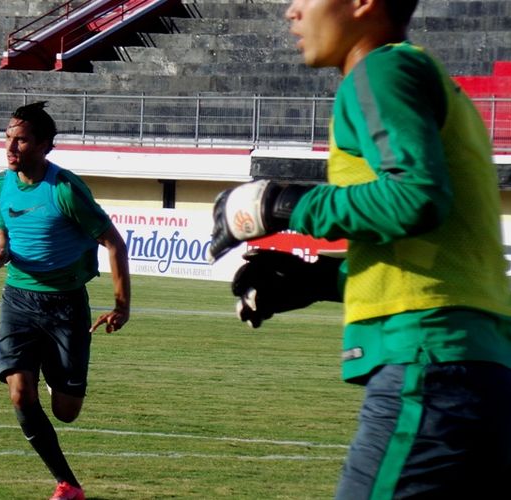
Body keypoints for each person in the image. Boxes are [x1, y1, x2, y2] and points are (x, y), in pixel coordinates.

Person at [209, 0, 511, 498]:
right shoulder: (419, 75)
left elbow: (416, 198)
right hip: (476, 369)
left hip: (428, 368)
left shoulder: (381, 69)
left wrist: (280, 203)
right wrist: (323, 280)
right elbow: (439, 260)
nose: (291, 11)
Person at [0, 101, 130, 500]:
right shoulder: (0, 185)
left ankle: (55, 379)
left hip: (66, 305)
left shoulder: (65, 190)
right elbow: (5, 233)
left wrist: (121, 306)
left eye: (22, 140)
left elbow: (114, 243)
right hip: (18, 299)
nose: (11, 147)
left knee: (67, 411)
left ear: (46, 145)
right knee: (19, 391)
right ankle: (68, 484)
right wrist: (1, 251)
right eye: (8, 138)